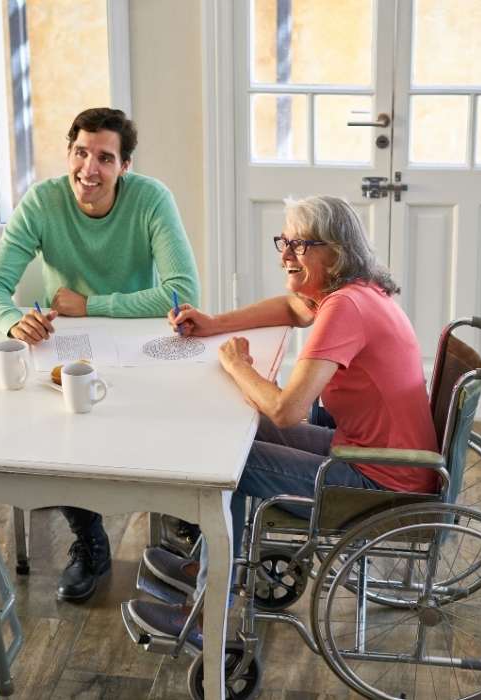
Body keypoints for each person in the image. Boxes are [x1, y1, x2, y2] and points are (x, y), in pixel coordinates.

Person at [124, 195, 439, 640]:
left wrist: (237, 366)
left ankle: (206, 611)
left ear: (336, 252)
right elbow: (292, 307)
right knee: (238, 435)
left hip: (379, 486)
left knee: (226, 464)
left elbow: (287, 411)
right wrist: (215, 325)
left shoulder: (345, 308)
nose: (285, 255)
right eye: (284, 242)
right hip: (382, 458)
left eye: (300, 245)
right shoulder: (358, 292)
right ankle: (213, 565)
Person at [0, 107, 200, 603]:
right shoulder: (43, 201)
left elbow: (183, 293)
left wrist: (91, 304)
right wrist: (11, 319)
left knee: (170, 413)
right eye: (80, 152)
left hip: (141, 343)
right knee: (60, 426)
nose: (88, 169)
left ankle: (182, 532)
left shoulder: (151, 199)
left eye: (104, 157)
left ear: (125, 167)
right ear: (68, 153)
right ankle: (90, 540)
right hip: (73, 349)